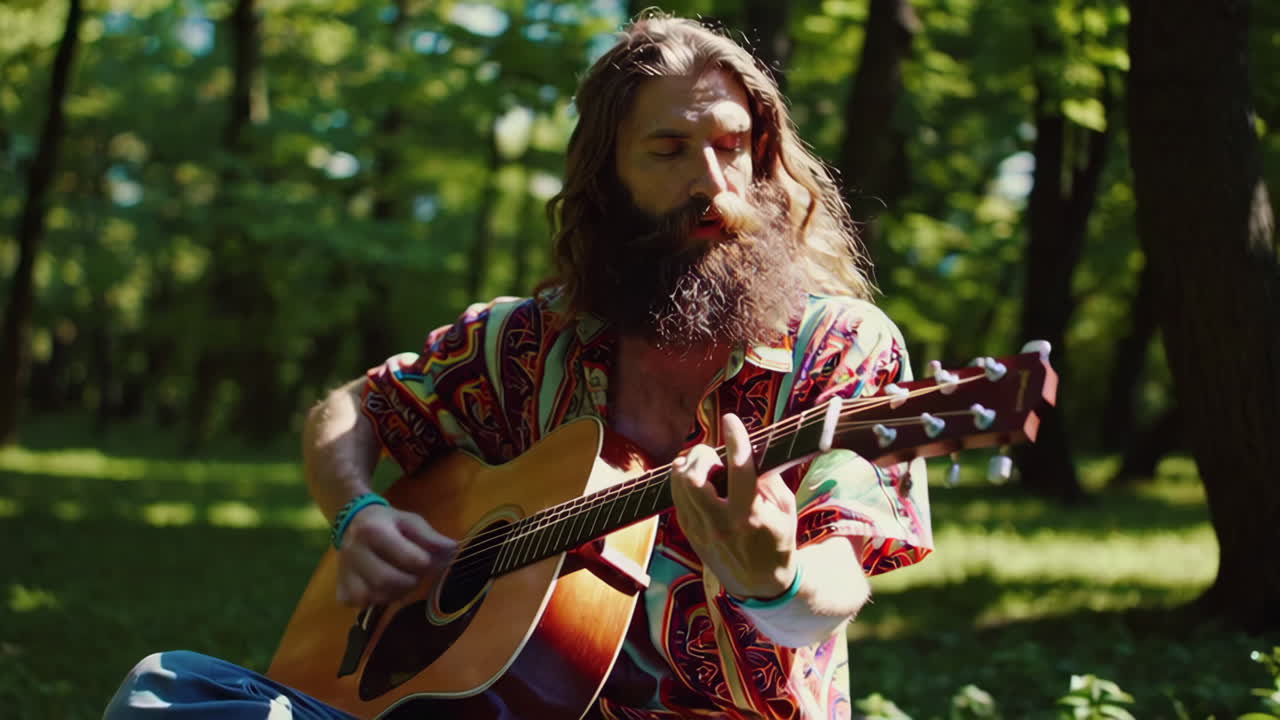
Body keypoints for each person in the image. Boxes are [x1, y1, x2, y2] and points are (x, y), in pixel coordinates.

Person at [104, 12, 932, 720]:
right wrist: (354, 513)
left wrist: (777, 579)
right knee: (165, 691)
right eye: (669, 150)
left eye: (732, 147)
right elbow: (350, 409)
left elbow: (832, 586)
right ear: (607, 176)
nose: (711, 183)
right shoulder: (526, 344)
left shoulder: (840, 349)